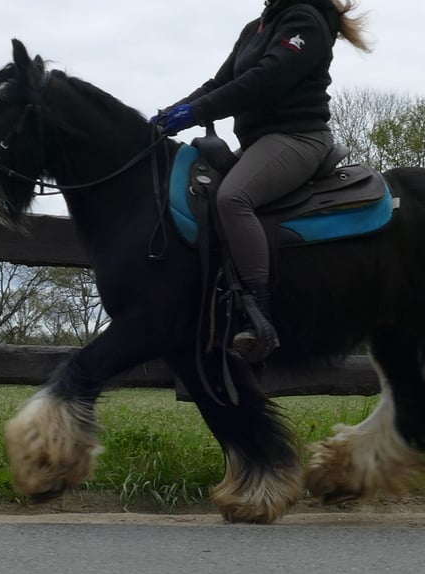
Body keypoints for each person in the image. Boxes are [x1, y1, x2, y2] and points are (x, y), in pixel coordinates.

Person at [154, 0, 370, 359]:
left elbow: (266, 79)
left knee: (233, 198)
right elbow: (220, 82)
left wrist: (196, 113)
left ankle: (259, 317)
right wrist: (168, 114)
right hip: (257, 142)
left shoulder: (306, 21)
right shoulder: (255, 27)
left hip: (299, 138)